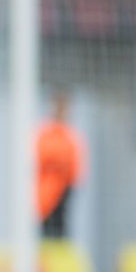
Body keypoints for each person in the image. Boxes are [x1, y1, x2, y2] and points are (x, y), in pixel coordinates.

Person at [37, 92, 86, 239]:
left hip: (64, 190)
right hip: (47, 194)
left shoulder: (70, 134)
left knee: (61, 231)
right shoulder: (46, 133)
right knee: (47, 231)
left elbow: (75, 165)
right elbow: (42, 157)